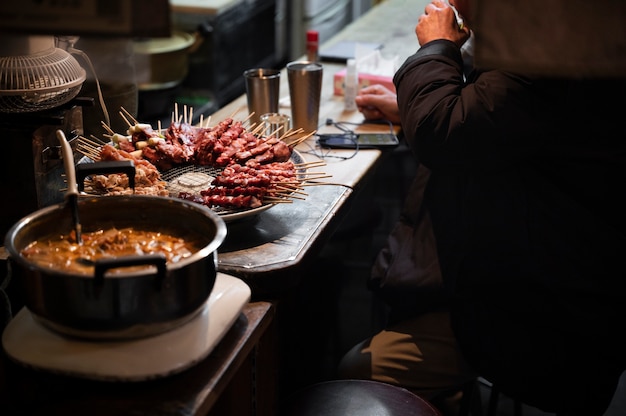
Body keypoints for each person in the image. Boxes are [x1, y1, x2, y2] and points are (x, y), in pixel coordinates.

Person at [339, 1, 626, 415]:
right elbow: (499, 119)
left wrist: (437, 48)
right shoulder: (564, 33)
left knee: (358, 372)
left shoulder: (547, 52)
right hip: (538, 263)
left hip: (544, 305)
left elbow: (444, 133)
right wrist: (415, 106)